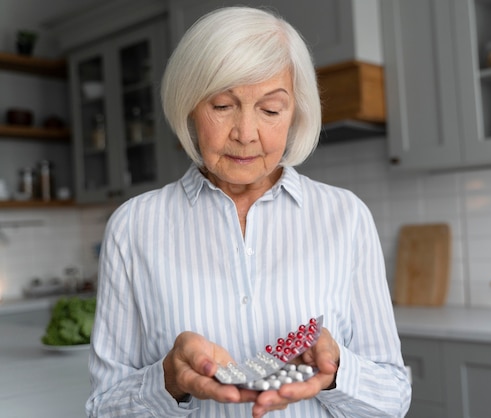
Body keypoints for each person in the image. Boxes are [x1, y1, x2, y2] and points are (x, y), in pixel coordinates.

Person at [86, 6, 411, 418]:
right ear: (189, 106)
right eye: (222, 106)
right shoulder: (133, 227)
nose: (245, 133)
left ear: (296, 114)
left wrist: (336, 370)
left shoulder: (345, 217)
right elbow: (103, 409)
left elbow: (393, 398)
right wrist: (169, 380)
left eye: (271, 110)